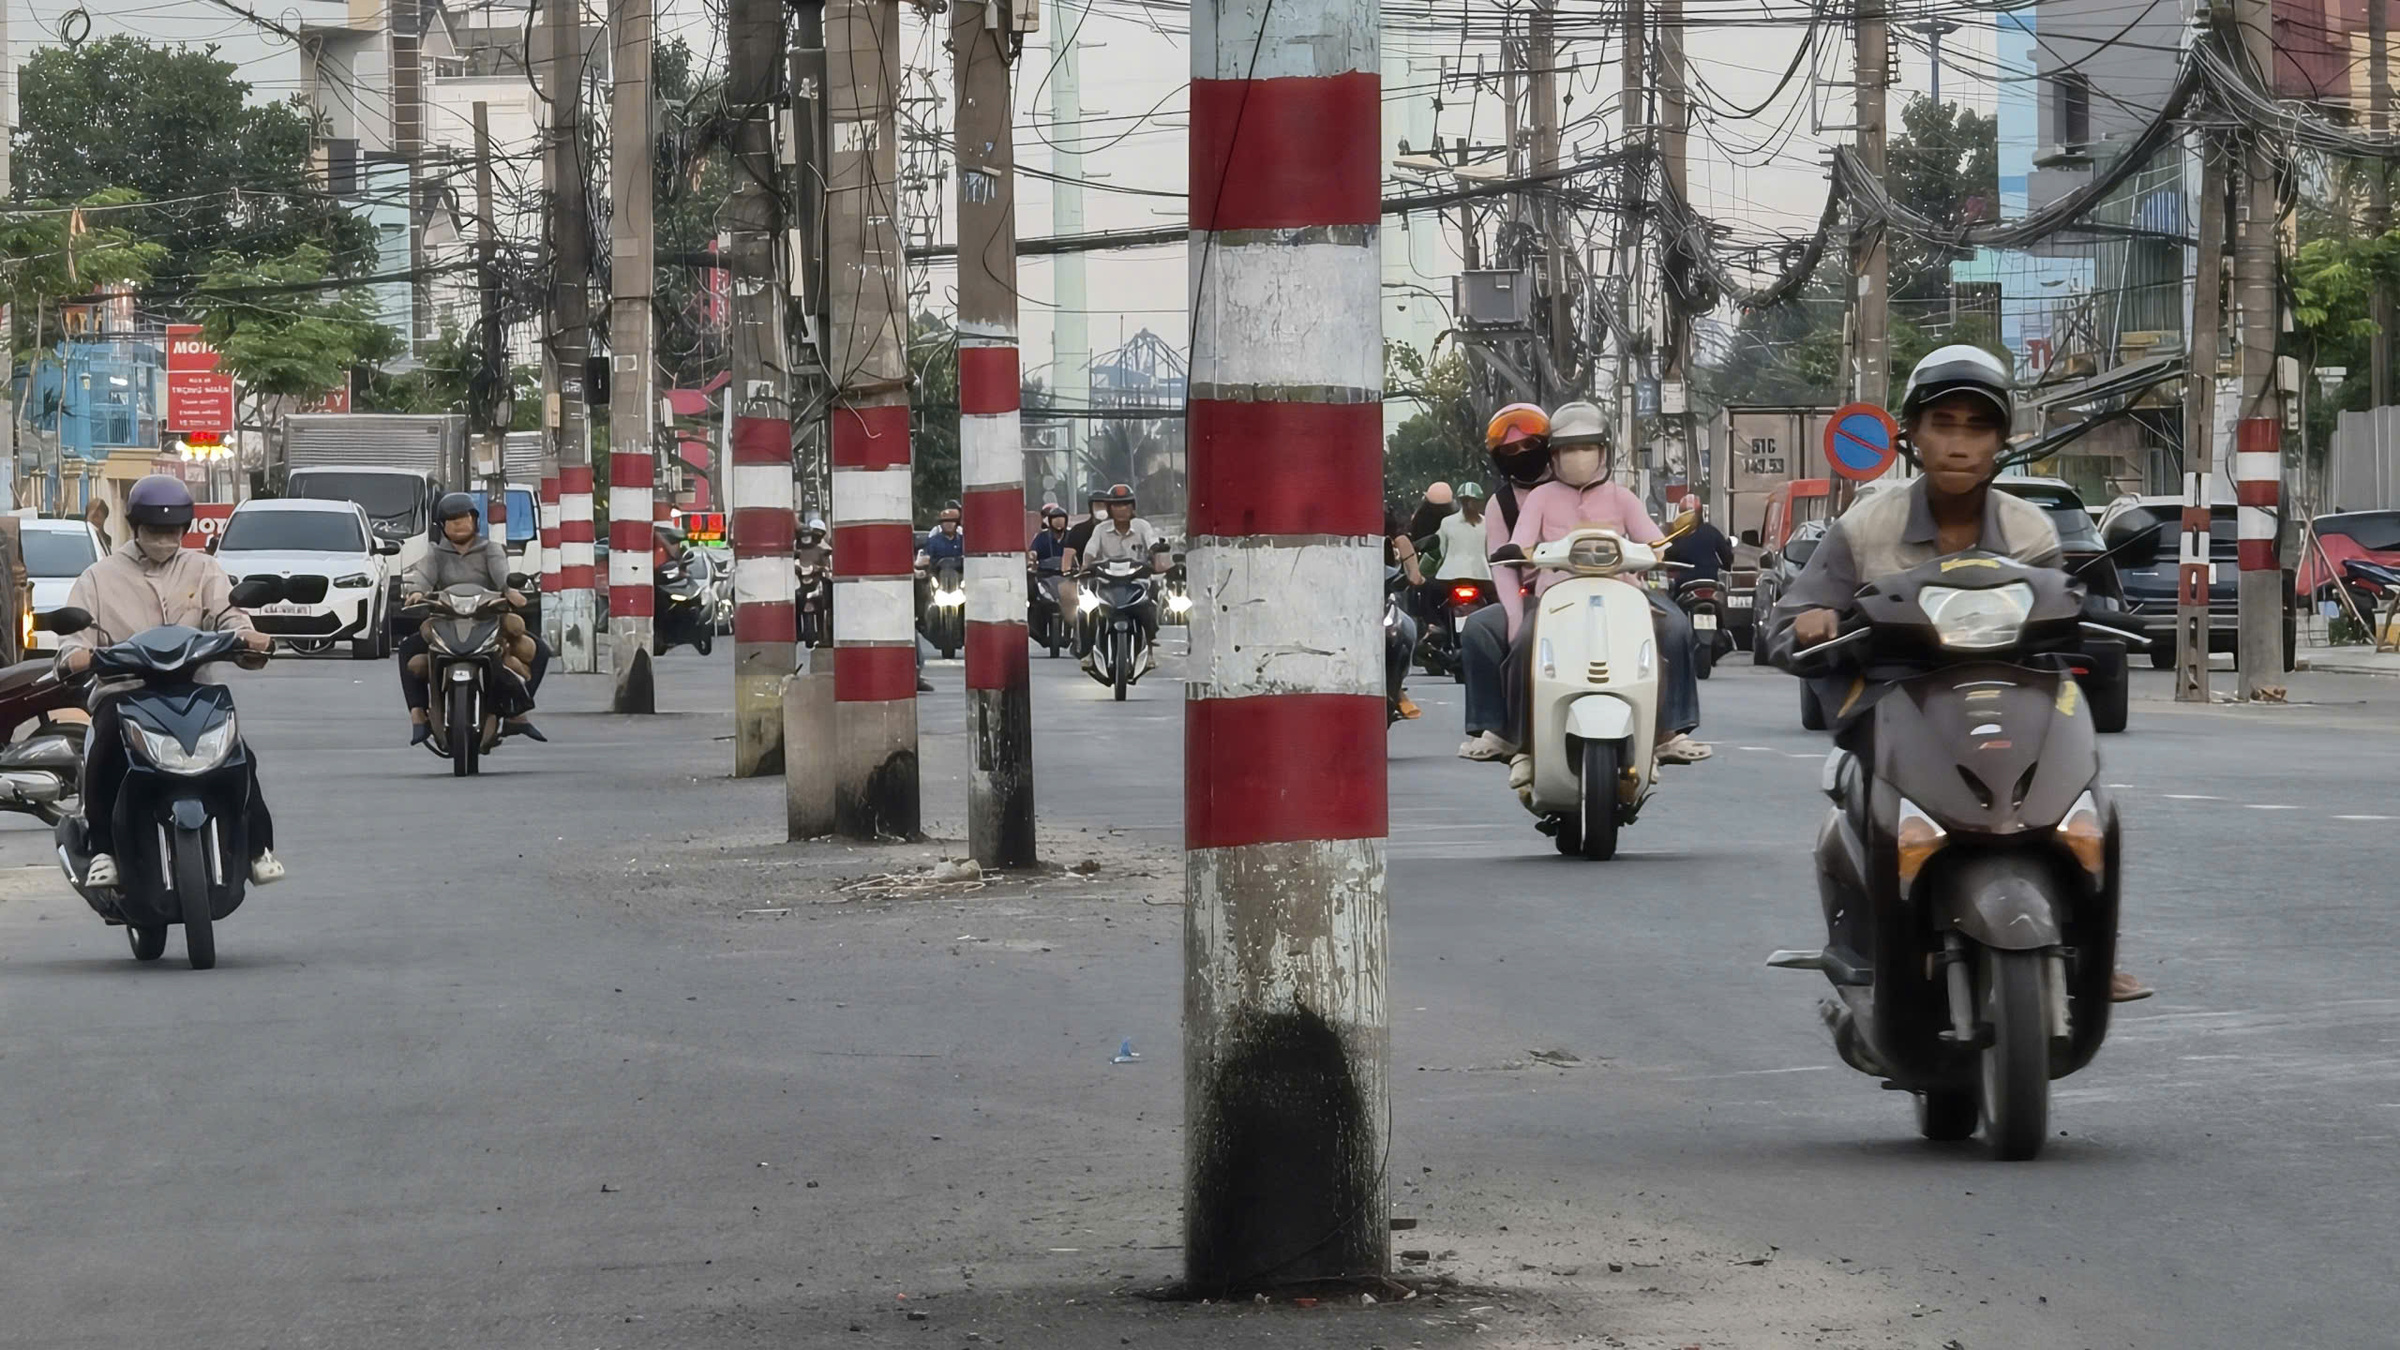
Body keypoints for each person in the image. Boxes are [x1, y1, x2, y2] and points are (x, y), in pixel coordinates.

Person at [1770, 343, 2151, 1004]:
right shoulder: (1867, 524)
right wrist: (1809, 621)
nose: (1959, 444)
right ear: (1912, 434)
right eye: (1943, 424)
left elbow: (2060, 622)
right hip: (1893, 696)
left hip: (2014, 696)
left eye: (1978, 427)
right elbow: (1798, 608)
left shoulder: (2031, 530)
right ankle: (1868, 938)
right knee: (1869, 803)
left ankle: (2091, 946)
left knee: (2091, 802)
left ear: (2002, 440)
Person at [59, 475, 281, 890]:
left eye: (172, 531)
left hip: (192, 692)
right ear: (135, 528)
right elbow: (74, 639)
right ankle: (104, 850)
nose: (164, 539)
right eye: (154, 531)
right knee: (105, 749)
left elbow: (229, 616)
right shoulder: (98, 577)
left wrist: (248, 636)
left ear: (185, 530)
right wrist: (76, 655)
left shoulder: (204, 568)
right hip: (124, 694)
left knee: (240, 757)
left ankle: (257, 848)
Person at [1499, 402, 1712, 772]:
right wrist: (1521, 552)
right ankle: (1522, 742)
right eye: (1567, 449)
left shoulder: (1622, 496)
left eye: (1586, 447)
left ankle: (1670, 732)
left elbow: (1653, 541)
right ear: (1554, 455)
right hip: (1556, 597)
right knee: (1524, 643)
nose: (1577, 457)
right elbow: (1521, 544)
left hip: (1623, 593)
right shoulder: (1540, 498)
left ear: (1604, 452)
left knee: (1676, 626)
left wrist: (1662, 546)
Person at [399, 492, 546, 747]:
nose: (459, 523)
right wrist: (416, 592)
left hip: (488, 620)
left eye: (465, 517)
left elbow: (502, 576)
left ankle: (515, 713)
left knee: (541, 652)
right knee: (407, 651)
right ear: (442, 525)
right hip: (445, 621)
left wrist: (510, 591)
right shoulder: (436, 553)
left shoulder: (490, 549)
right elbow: (423, 575)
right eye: (452, 519)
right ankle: (418, 717)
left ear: (475, 520)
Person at [1458, 405, 1551, 760]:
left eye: (1530, 445)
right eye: (1510, 452)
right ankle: (1495, 727)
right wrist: (1514, 618)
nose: (1522, 455)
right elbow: (1501, 565)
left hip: (1593, 589)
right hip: (1534, 600)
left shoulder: (1577, 484)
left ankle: (1663, 730)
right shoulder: (1501, 503)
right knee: (1478, 628)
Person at [1079, 484, 1168, 665]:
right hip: (1106, 581)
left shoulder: (1143, 526)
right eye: (1116, 505)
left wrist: (1157, 561)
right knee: (1087, 607)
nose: (1121, 509)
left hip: (1136, 581)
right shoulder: (1101, 529)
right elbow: (1090, 550)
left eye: (1126, 504)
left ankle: (1149, 648)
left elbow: (1153, 546)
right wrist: (1085, 566)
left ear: (1133, 507)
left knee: (1150, 602)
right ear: (1110, 509)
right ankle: (1087, 650)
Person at [1663, 494, 1733, 586]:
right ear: (1701, 513)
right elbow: (1727, 557)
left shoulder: (1677, 535)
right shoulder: (1711, 531)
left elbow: (1667, 562)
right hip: (1711, 582)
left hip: (1684, 584)